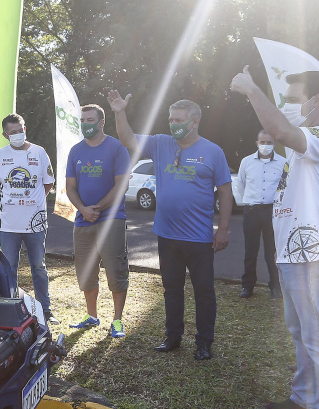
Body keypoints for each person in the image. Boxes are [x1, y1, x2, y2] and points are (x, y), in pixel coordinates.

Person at [230, 67, 319, 409]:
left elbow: (280, 130)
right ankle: (304, 398)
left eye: (293, 99)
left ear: (316, 101)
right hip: (294, 255)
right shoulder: (306, 144)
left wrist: (252, 90)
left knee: (318, 336)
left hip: (312, 254)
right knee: (301, 332)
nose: (287, 105)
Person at [107, 91, 232, 360]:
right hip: (167, 235)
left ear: (195, 121)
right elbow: (127, 139)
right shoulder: (161, 143)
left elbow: (224, 190)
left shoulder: (213, 151)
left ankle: (204, 342)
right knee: (172, 289)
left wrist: (223, 229)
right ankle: (173, 337)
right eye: (170, 118)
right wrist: (120, 111)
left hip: (199, 238)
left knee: (204, 291)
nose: (173, 123)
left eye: (178, 119)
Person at [64, 105, 131, 338]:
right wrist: (83, 209)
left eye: (90, 119)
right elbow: (70, 187)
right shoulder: (76, 151)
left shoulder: (116, 148)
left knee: (116, 271)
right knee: (85, 272)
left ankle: (117, 321)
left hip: (111, 220)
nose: (85, 124)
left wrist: (98, 208)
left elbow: (122, 185)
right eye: (82, 120)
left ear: (101, 122)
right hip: (83, 222)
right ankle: (91, 316)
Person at [0, 113, 58, 325]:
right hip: (9, 224)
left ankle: (45, 310)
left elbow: (48, 183)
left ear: (25, 129)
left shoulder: (39, 152)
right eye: (13, 132)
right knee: (9, 268)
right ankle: (13, 309)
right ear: (4, 134)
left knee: (38, 266)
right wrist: (15, 200)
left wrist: (32, 201)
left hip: (35, 222)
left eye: (20, 130)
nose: (18, 135)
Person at [236, 130, 284, 298]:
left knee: (272, 251)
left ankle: (275, 286)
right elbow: (240, 184)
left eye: (269, 142)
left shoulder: (283, 163)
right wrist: (250, 201)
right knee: (250, 251)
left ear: (274, 143)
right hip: (252, 211)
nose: (265, 145)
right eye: (262, 142)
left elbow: (286, 188)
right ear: (256, 143)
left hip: (273, 212)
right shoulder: (246, 162)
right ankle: (247, 286)